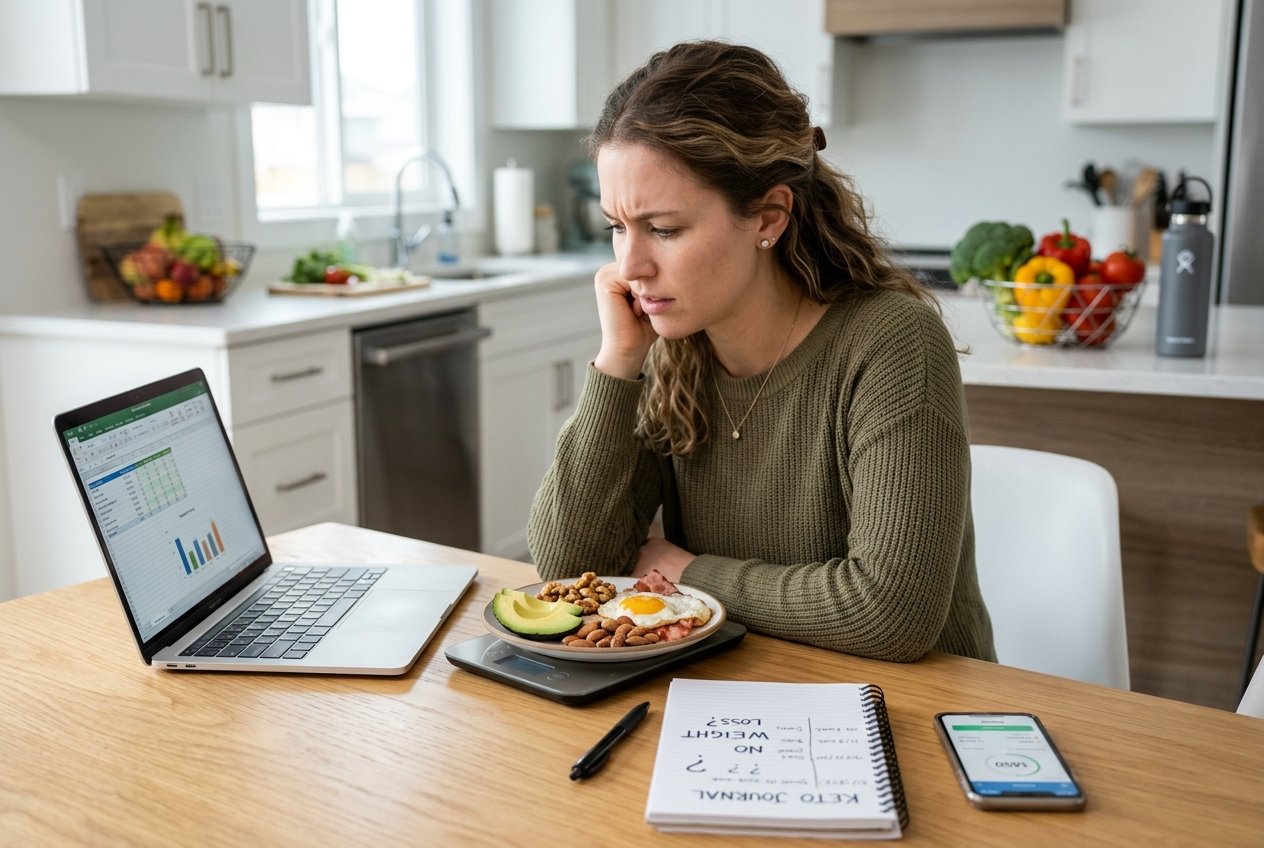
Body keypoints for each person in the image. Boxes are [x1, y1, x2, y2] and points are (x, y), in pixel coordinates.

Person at [527, 40, 995, 663]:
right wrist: (617, 366)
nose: (630, 265)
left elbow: (890, 613)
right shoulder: (671, 342)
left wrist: (687, 572)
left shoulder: (892, 343)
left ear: (769, 216)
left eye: (664, 229)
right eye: (618, 227)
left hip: (914, 707)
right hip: (737, 693)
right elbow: (570, 568)